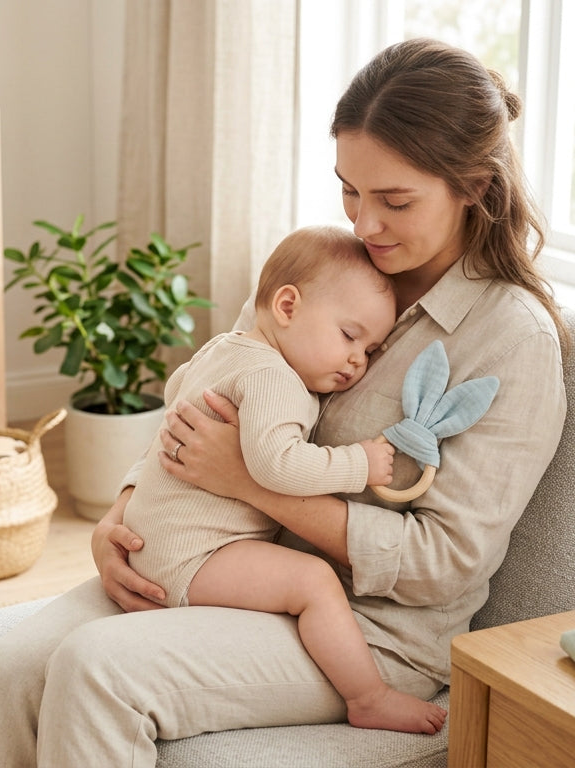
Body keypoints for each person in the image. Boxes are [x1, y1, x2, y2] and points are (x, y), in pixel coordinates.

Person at [0, 37, 568, 767]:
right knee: (8, 670)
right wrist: (118, 518)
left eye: (394, 201)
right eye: (350, 190)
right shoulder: (327, 271)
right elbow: (212, 391)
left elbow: (445, 562)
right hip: (219, 562)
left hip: (366, 632)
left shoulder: (512, 340)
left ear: (476, 187)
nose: (365, 225)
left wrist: (249, 483)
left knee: (97, 671)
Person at [124, 224, 446, 734]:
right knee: (313, 582)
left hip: (154, 538)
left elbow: (174, 392)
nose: (357, 360)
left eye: (371, 350)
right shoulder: (274, 377)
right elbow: (278, 466)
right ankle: (368, 697)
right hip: (192, 555)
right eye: (349, 335)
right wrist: (359, 463)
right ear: (287, 307)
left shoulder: (224, 348)